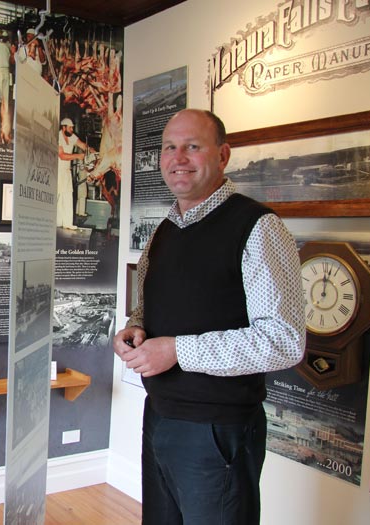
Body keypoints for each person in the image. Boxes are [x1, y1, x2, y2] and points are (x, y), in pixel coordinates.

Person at [113, 109, 305, 525]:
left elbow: (284, 340)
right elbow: (150, 306)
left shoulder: (257, 226)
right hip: (160, 416)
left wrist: (177, 351)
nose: (178, 157)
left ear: (223, 155)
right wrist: (136, 329)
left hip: (217, 432)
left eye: (192, 146)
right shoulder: (164, 229)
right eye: (169, 147)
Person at [57, 118, 91, 230]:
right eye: (70, 127)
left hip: (67, 171)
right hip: (57, 171)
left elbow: (83, 145)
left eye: (72, 127)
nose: (72, 129)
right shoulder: (58, 137)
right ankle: (58, 223)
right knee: (59, 197)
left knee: (68, 195)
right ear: (64, 127)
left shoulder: (72, 137)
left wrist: (92, 151)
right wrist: (78, 156)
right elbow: (61, 155)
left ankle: (67, 223)